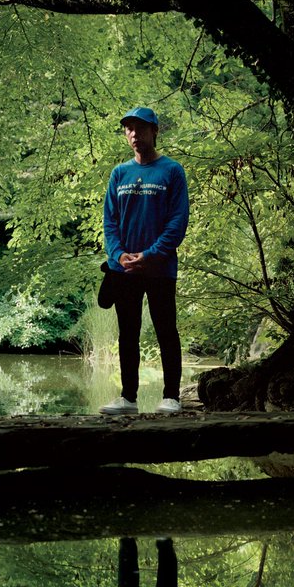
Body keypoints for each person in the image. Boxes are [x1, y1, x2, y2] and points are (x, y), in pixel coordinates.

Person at [99, 106, 189, 415]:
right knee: (128, 334)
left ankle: (171, 397)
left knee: (166, 330)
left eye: (140, 128)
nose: (134, 134)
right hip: (123, 269)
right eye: (129, 129)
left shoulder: (172, 171)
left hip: (159, 268)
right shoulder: (119, 173)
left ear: (155, 131)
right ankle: (128, 398)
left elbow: (178, 221)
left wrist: (150, 255)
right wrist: (119, 255)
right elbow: (109, 222)